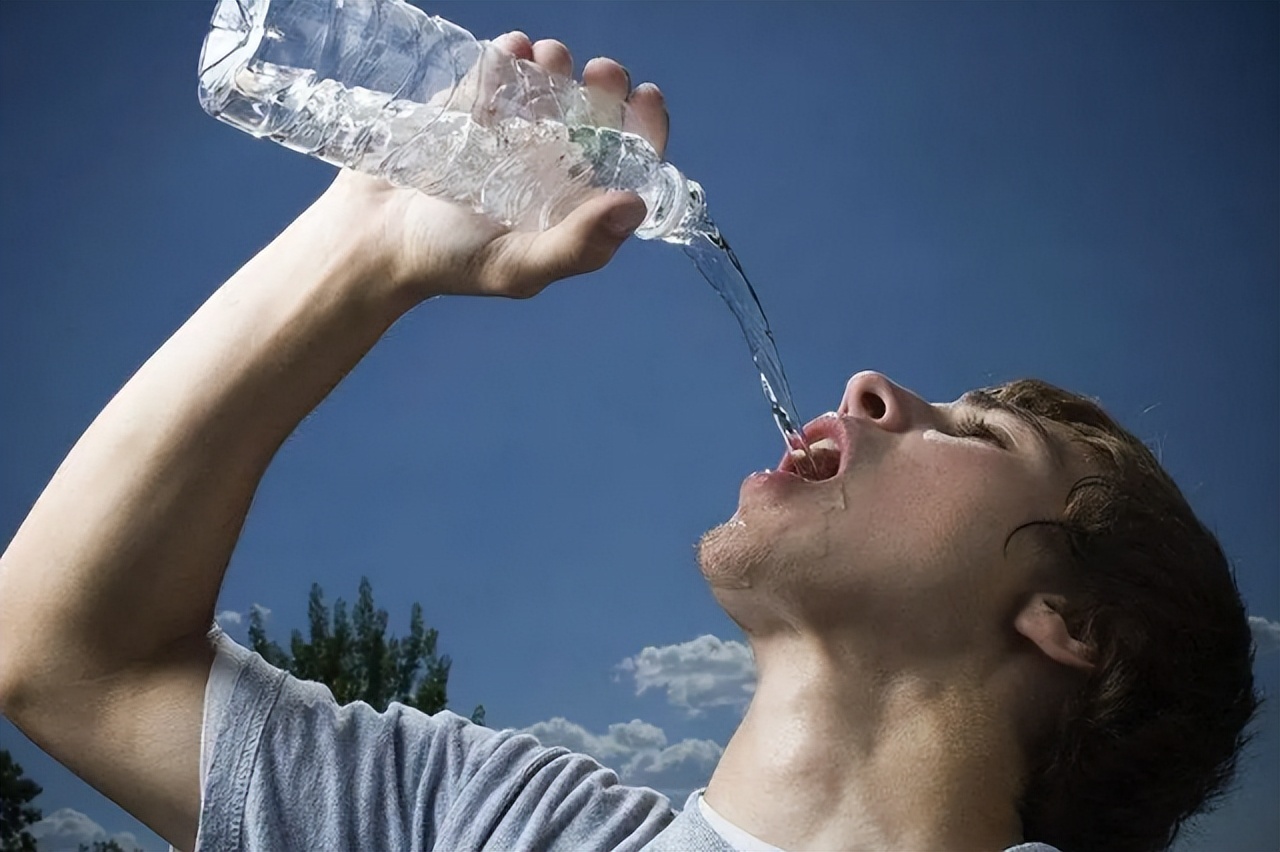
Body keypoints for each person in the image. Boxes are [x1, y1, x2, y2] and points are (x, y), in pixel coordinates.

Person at [0, 31, 1258, 852]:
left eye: (976, 434)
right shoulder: (486, 824)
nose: (875, 388)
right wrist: (368, 244)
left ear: (1073, 626)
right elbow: (61, 656)